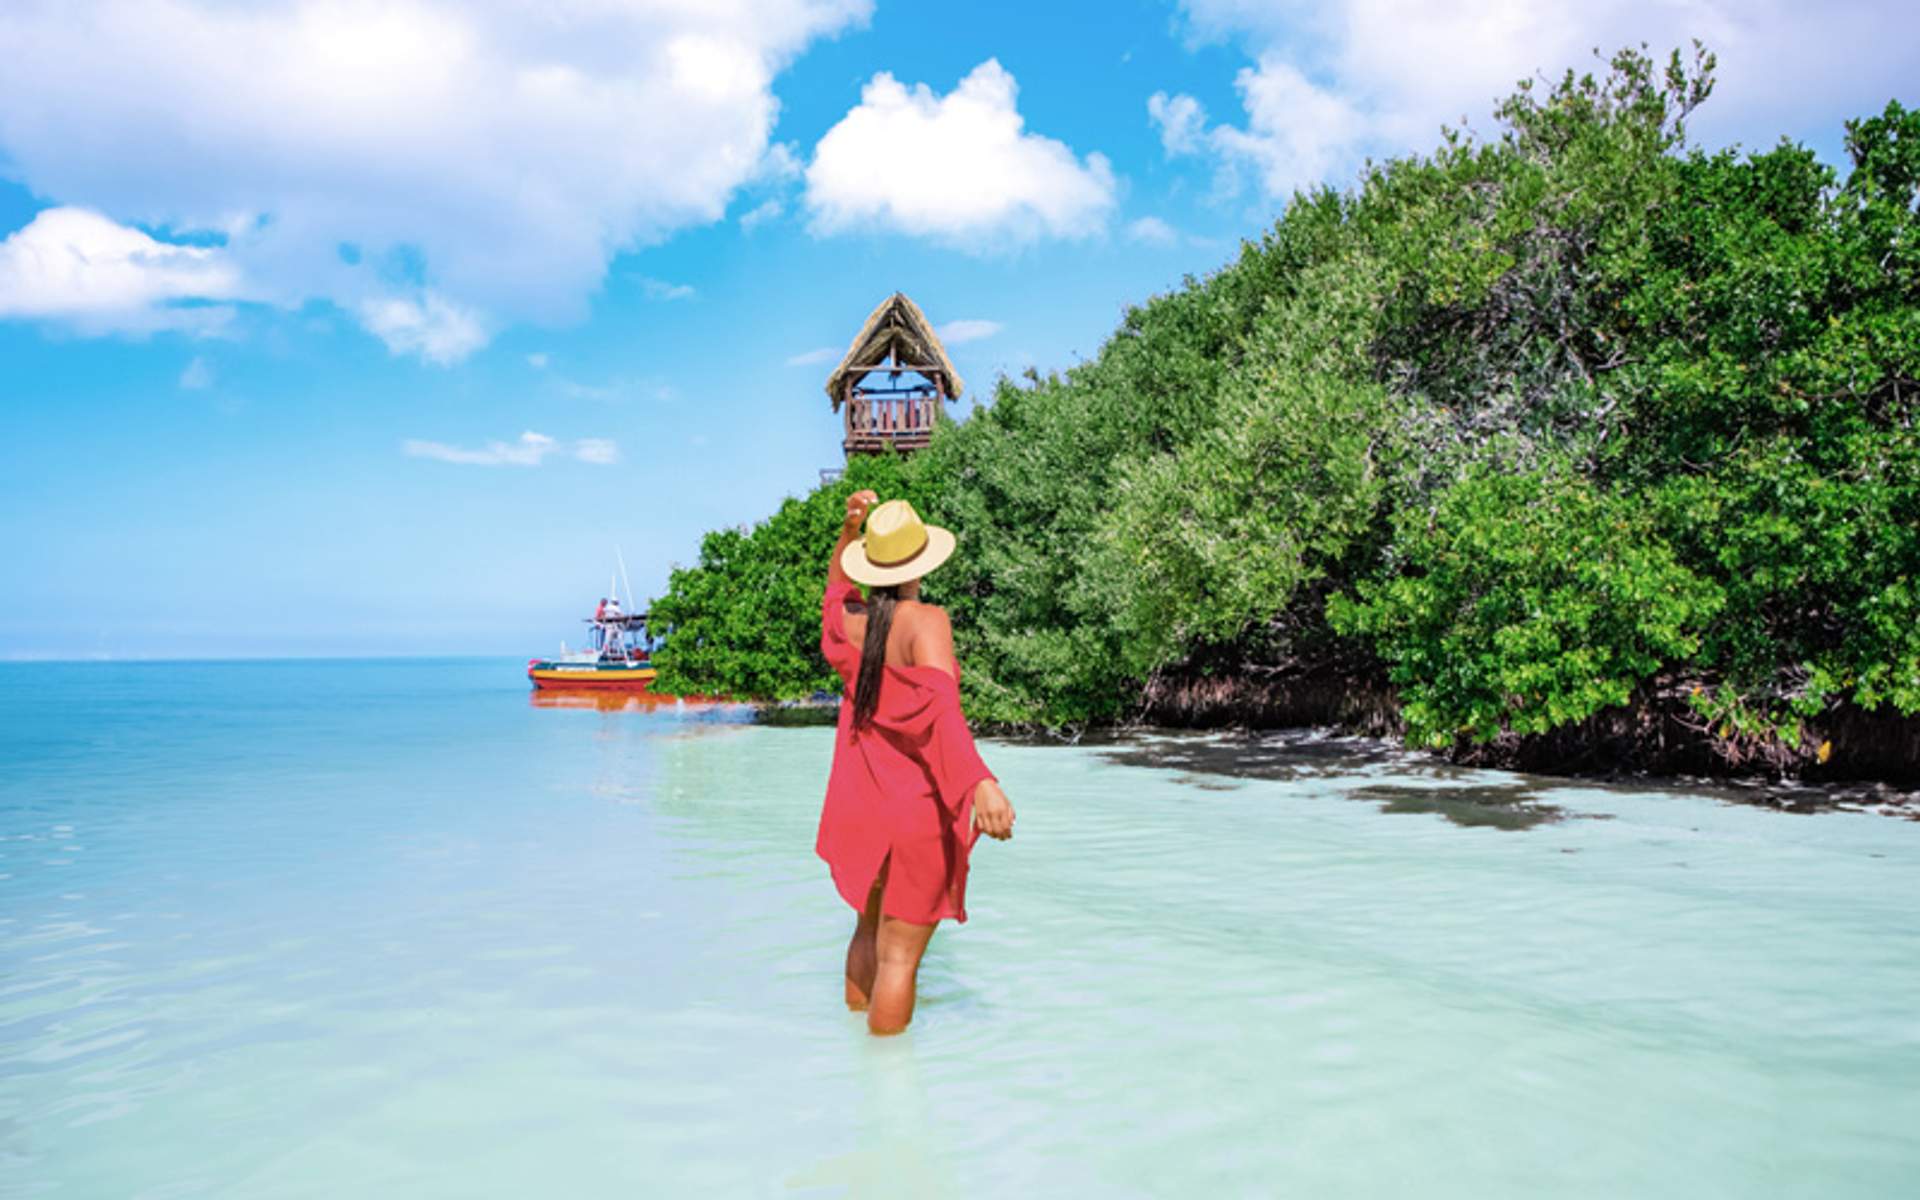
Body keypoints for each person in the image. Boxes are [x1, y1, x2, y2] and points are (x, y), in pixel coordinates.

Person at [817, 489, 1015, 1036]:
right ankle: (889, 1089)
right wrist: (980, 782)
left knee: (866, 931)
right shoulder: (925, 621)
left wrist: (848, 530)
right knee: (899, 960)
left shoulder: (850, 623)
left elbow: (835, 593)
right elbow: (942, 711)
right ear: (920, 562)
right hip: (912, 815)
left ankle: (853, 1066)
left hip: (861, 808)